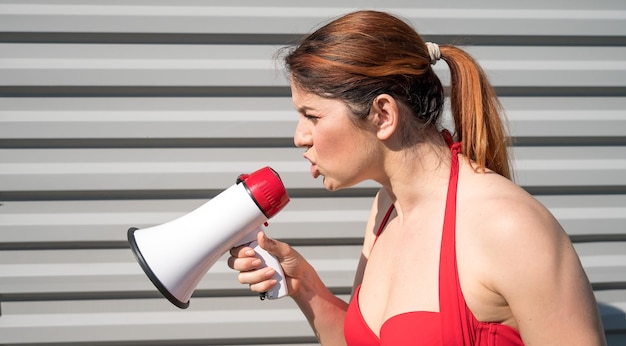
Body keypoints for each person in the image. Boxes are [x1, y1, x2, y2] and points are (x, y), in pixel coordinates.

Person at [228, 10, 606, 345]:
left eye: (312, 116)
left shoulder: (509, 227)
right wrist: (305, 286)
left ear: (382, 115)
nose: (299, 136)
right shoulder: (386, 209)